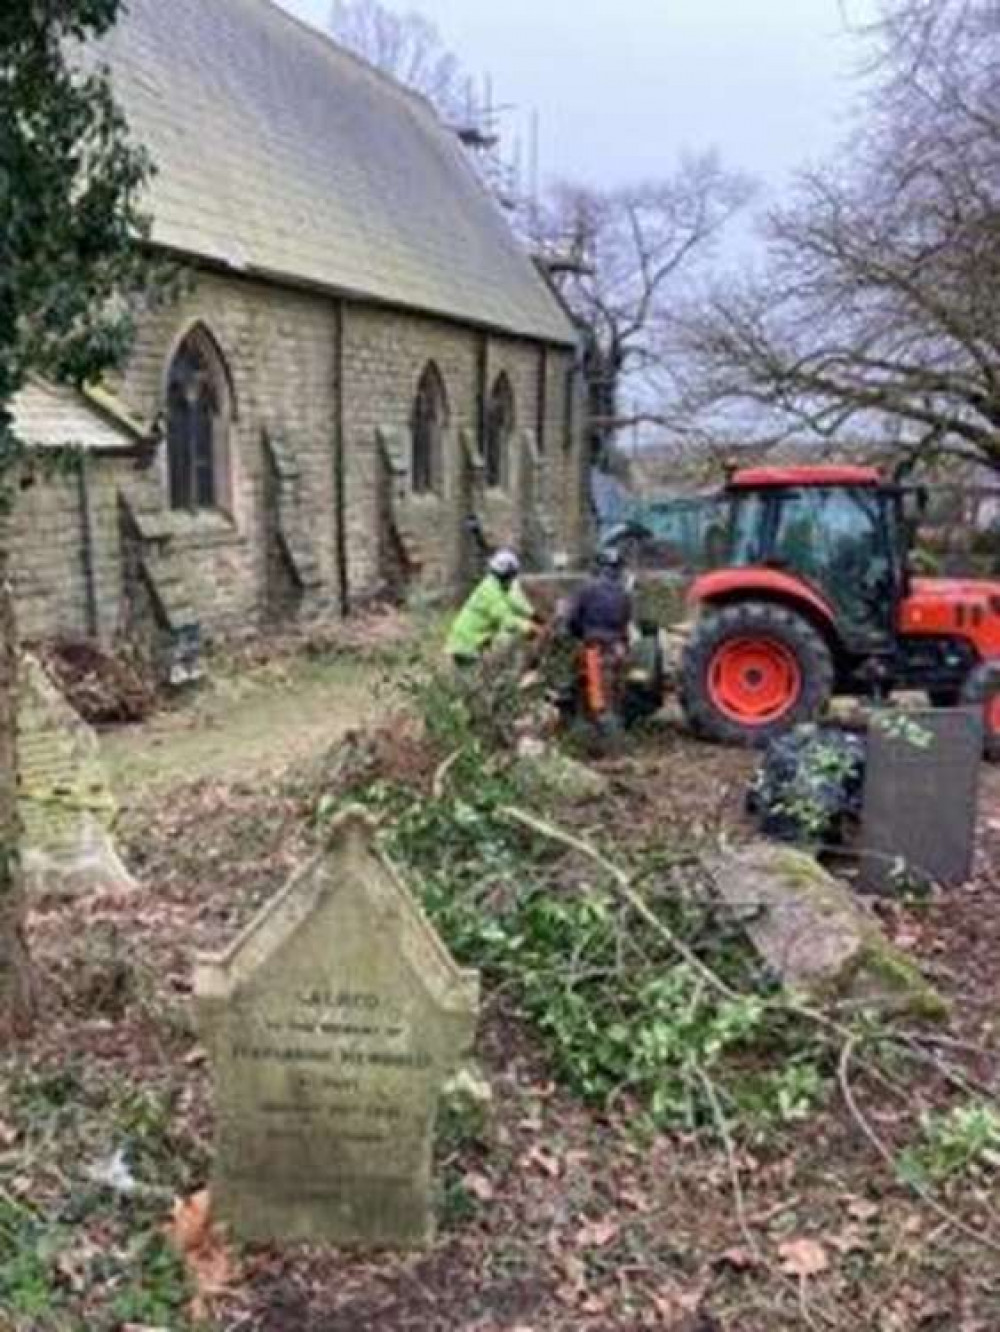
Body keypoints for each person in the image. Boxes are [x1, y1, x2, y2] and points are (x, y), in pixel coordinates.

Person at [565, 548, 633, 732]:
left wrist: (579, 634)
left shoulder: (585, 590)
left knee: (586, 689)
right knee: (614, 692)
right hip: (617, 650)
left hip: (593, 648)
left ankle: (587, 729)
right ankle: (615, 728)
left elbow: (571, 619)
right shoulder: (624, 594)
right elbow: (626, 622)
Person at [446, 548, 538, 666]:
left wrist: (535, 616)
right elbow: (507, 620)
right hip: (467, 645)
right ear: (507, 574)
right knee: (509, 639)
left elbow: (515, 602)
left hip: (471, 641)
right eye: (513, 575)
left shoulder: (497, 586)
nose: (514, 579)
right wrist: (530, 628)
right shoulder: (490, 591)